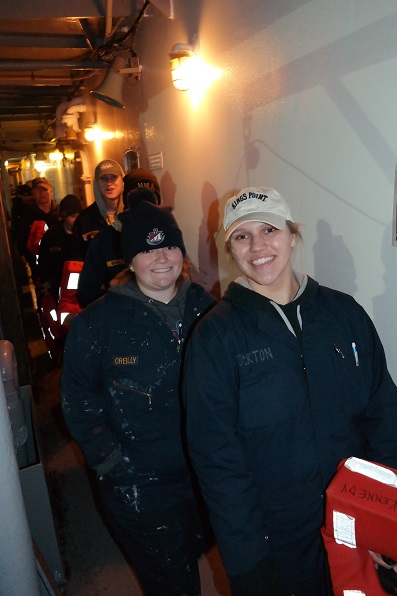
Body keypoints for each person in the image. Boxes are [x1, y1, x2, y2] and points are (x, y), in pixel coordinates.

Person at [182, 186, 397, 596]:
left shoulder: (344, 314)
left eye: (269, 229)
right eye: (242, 236)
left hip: (354, 521)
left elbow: (384, 413)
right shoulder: (215, 337)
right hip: (273, 539)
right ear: (230, 250)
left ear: (293, 235)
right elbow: (217, 461)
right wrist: (247, 560)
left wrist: (385, 516)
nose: (258, 245)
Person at [61, 200, 216, 595]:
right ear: (130, 259)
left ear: (182, 252)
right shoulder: (97, 324)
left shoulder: (210, 309)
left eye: (168, 246)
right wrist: (112, 462)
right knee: (171, 582)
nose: (160, 258)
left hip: (209, 473)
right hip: (141, 485)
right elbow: (79, 401)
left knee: (207, 558)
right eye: (146, 249)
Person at [77, 169, 161, 308]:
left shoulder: (167, 239)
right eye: (138, 201)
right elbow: (87, 294)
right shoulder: (105, 241)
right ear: (127, 203)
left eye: (151, 200)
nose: (145, 207)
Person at [72, 159, 124, 260]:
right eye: (103, 178)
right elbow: (76, 257)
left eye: (113, 177)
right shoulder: (84, 220)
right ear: (96, 183)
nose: (109, 183)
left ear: (122, 180)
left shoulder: (132, 214)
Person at [38, 194, 83, 302]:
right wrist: (46, 281)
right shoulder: (51, 236)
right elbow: (43, 261)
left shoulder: (86, 233)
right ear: (64, 216)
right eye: (72, 217)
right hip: (58, 286)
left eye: (78, 216)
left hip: (82, 285)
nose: (76, 220)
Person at [15, 176, 59, 285]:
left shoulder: (60, 212)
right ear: (33, 194)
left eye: (44, 189)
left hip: (60, 263)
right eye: (37, 190)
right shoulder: (27, 216)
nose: (41, 193)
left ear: (51, 191)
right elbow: (21, 240)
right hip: (39, 266)